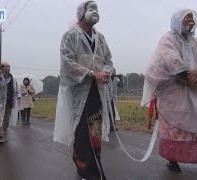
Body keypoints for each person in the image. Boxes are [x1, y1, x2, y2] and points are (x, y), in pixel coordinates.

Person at [141, 8, 197, 172]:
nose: (191, 21)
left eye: (192, 18)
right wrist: (188, 76)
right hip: (174, 91)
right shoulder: (168, 39)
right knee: (174, 127)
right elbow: (171, 60)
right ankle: (172, 160)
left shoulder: (195, 41)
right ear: (177, 20)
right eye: (187, 18)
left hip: (195, 89)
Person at [53, 1, 114, 179]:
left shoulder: (100, 38)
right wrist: (92, 74)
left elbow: (108, 60)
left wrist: (106, 72)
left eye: (97, 9)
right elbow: (67, 62)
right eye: (91, 9)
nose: (95, 12)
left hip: (98, 92)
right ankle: (85, 170)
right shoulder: (70, 36)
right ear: (81, 13)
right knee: (81, 130)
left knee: (95, 129)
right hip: (80, 92)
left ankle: (94, 162)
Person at [0, 61, 20, 144]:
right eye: (6, 66)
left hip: (9, 101)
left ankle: (3, 134)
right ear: (2, 68)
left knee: (6, 119)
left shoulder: (12, 78)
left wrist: (18, 96)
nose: (8, 68)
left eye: (9, 66)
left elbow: (16, 88)